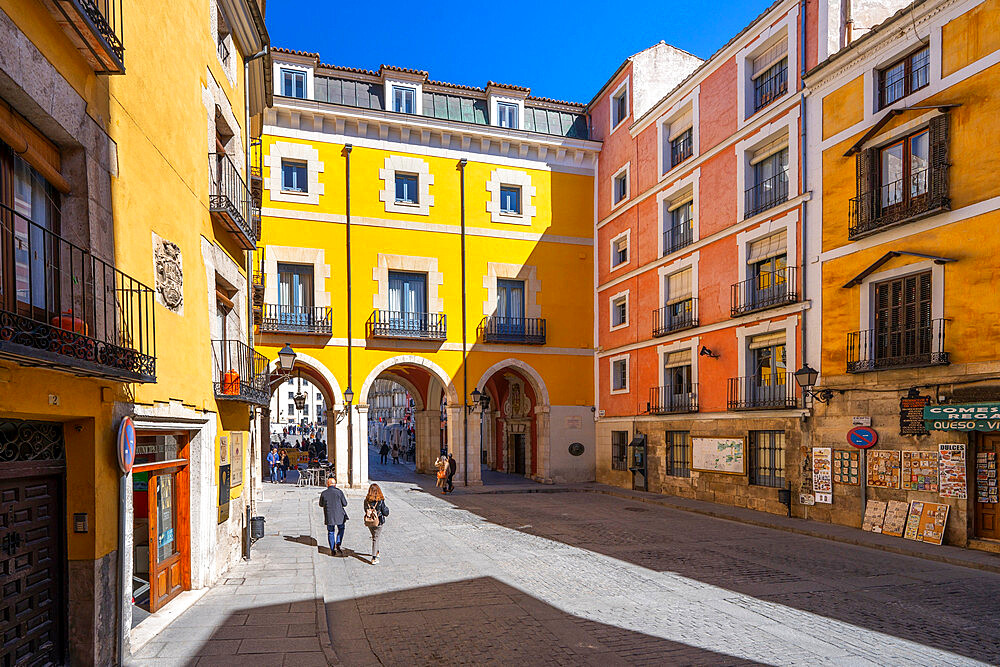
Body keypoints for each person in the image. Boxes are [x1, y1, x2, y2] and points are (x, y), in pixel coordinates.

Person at [319, 477, 348, 555]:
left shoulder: (324, 493)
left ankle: (332, 549)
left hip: (329, 516)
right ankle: (338, 544)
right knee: (341, 528)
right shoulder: (339, 492)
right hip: (339, 516)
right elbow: (345, 504)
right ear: (335, 484)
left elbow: (321, 504)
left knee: (331, 532)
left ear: (327, 484)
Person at [363, 483, 389, 565]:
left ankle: (377, 552)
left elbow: (365, 510)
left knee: (375, 536)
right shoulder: (380, 501)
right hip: (378, 521)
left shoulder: (366, 500)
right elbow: (385, 512)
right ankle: (374, 557)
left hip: (369, 522)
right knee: (375, 538)